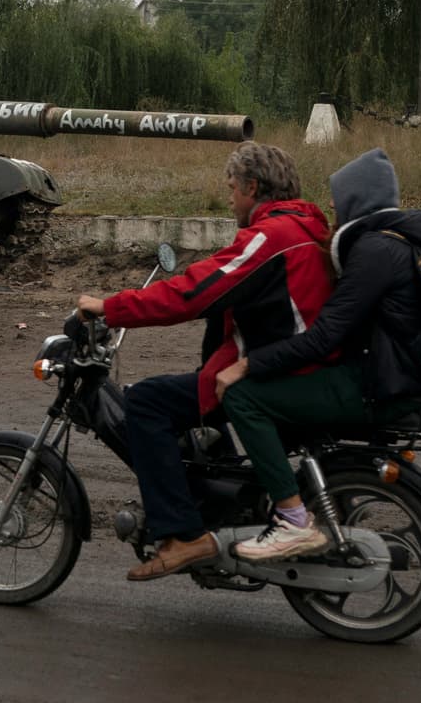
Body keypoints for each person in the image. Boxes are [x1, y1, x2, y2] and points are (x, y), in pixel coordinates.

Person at [75, 142, 334, 581]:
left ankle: (180, 536)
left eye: (232, 188)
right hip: (285, 364)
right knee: (193, 390)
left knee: (147, 402)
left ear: (253, 187)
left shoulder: (272, 237)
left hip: (277, 373)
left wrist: (110, 306)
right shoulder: (302, 227)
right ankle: (219, 509)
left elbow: (193, 293)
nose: (229, 197)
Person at [212, 147, 421, 563]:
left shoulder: (373, 252)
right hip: (405, 381)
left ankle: (292, 520)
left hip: (380, 385)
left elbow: (324, 337)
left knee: (244, 397)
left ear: (359, 202)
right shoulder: (404, 242)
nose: (333, 213)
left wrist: (247, 364)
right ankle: (312, 500)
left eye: (339, 204)